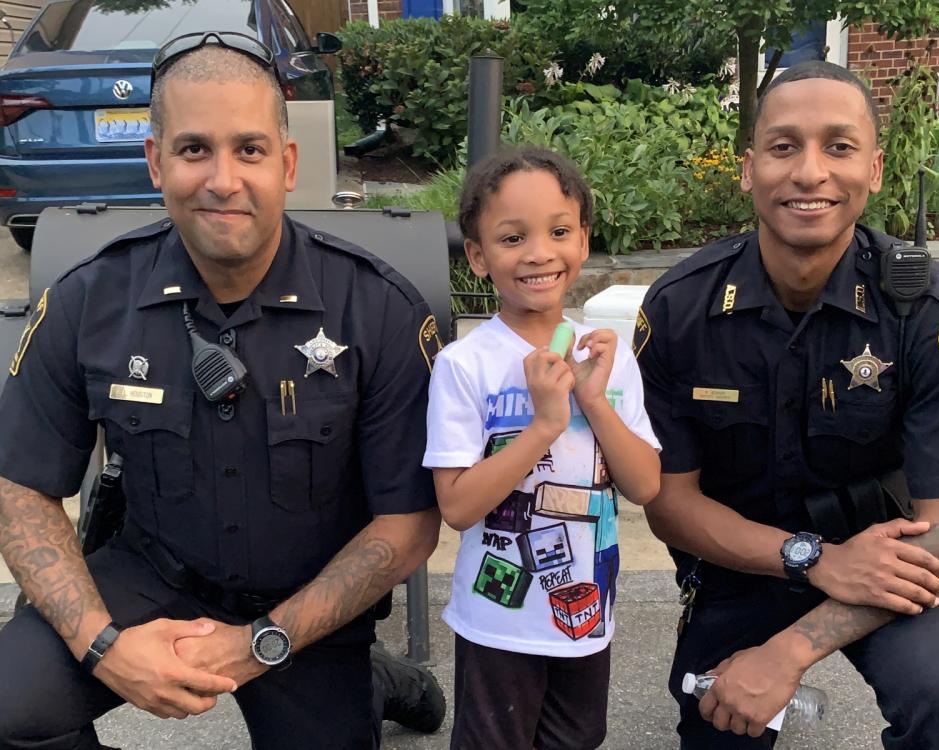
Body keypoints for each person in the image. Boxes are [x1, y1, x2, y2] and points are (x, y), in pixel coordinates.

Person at [0, 32, 445, 750]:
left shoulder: (376, 309)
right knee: (9, 712)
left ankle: (375, 682)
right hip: (151, 577)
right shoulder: (91, 300)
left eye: (249, 149)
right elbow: (19, 488)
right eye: (194, 149)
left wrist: (261, 643)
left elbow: (409, 524)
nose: (222, 179)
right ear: (155, 162)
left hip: (309, 610)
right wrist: (104, 643)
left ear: (288, 163)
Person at [635, 60, 939, 749]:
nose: (809, 172)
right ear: (747, 169)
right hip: (740, 563)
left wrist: (792, 650)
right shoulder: (682, 309)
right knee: (718, 726)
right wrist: (811, 558)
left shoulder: (925, 309)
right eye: (783, 147)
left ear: (876, 168)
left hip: (885, 565)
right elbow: (669, 504)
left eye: (838, 146)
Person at [424, 146, 662, 750]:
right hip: (498, 623)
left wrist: (595, 400)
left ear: (584, 240)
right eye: (511, 238)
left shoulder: (607, 358)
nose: (538, 253)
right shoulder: (464, 365)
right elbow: (457, 507)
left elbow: (644, 486)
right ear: (477, 256)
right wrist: (543, 427)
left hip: (586, 622)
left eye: (559, 231)